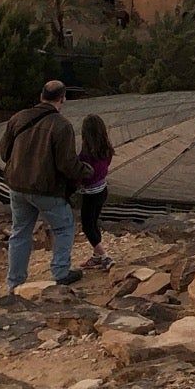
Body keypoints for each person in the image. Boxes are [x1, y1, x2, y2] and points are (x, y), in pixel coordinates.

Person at [0, 80, 90, 293]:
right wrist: (87, 172)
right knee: (64, 227)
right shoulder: (62, 125)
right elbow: (67, 164)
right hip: (46, 189)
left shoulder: (18, 118)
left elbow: (5, 153)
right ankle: (61, 273)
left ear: (41, 96)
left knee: (20, 232)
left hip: (17, 186)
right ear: (62, 98)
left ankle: (15, 283)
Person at [77, 113, 114, 272]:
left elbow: (82, 175)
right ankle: (96, 256)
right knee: (94, 223)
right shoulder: (107, 150)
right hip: (102, 190)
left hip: (90, 194)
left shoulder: (85, 155)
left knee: (87, 226)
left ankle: (105, 257)